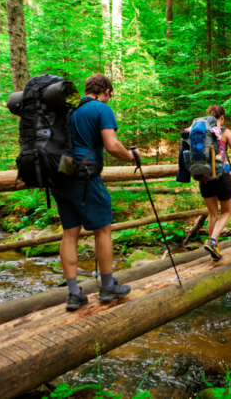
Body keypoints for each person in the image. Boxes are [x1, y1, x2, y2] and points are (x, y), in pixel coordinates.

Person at [50, 74, 141, 311]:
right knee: (103, 230)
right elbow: (112, 145)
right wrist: (131, 156)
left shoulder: (68, 110)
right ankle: (108, 286)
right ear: (107, 91)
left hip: (60, 179)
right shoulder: (101, 109)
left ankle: (73, 293)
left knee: (70, 234)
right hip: (85, 178)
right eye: (111, 95)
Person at [198, 105, 231, 260]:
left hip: (204, 177)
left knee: (213, 214)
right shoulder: (225, 132)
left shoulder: (201, 131)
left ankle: (214, 249)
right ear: (222, 117)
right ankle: (213, 241)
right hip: (221, 176)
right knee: (226, 211)